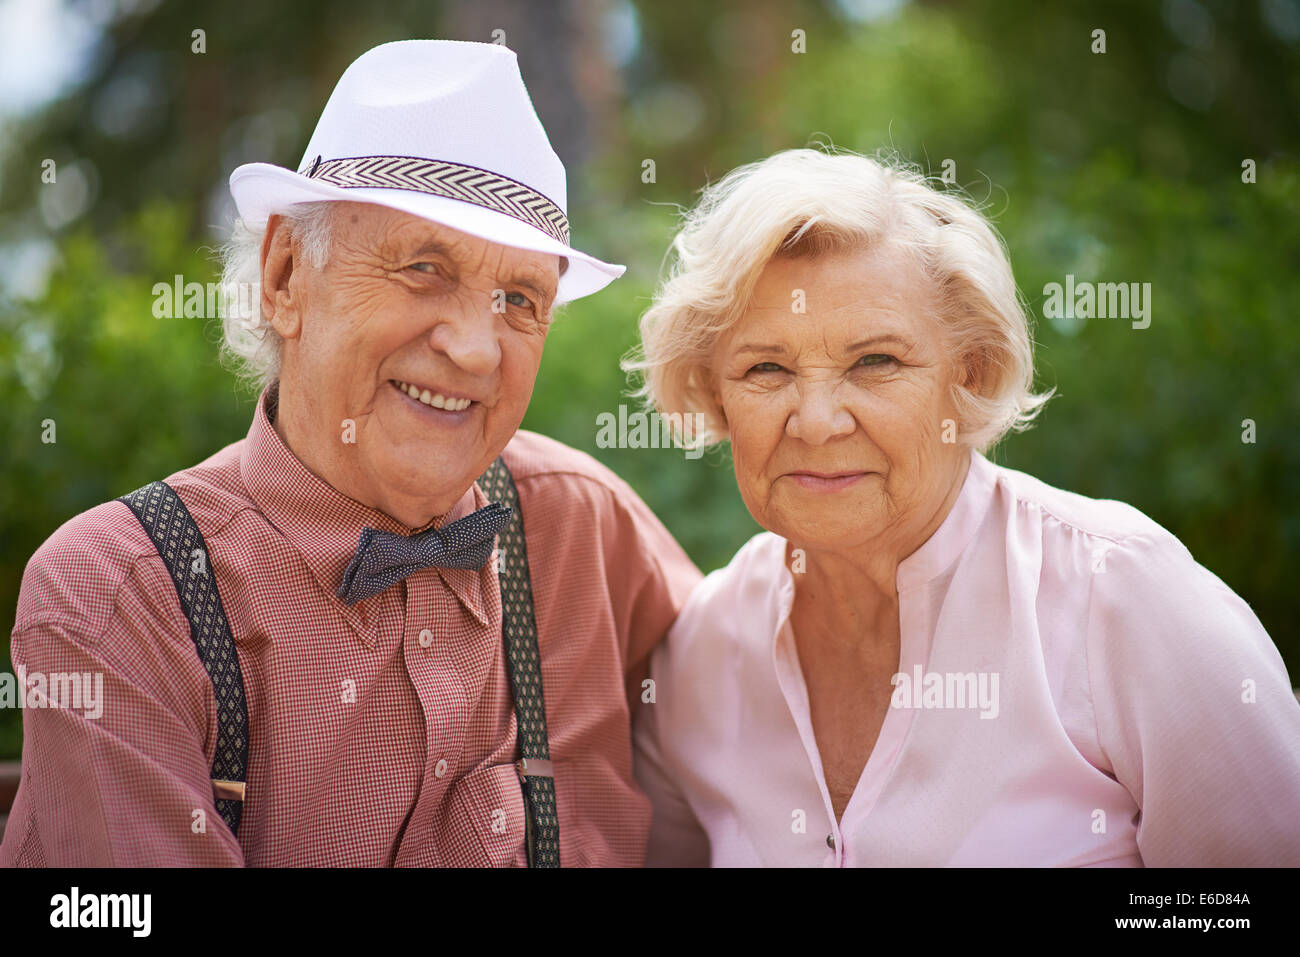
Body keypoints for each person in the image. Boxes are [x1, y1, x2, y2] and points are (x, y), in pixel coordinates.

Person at [1, 39, 700, 867]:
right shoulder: (121, 597)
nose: (477, 350)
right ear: (286, 276)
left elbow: (789, 680)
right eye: (424, 268)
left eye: (520, 299)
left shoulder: (582, 521)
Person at [629, 147, 1300, 867]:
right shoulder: (697, 653)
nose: (816, 420)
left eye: (874, 361)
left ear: (969, 372)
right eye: (767, 367)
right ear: (714, 392)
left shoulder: (1125, 597)